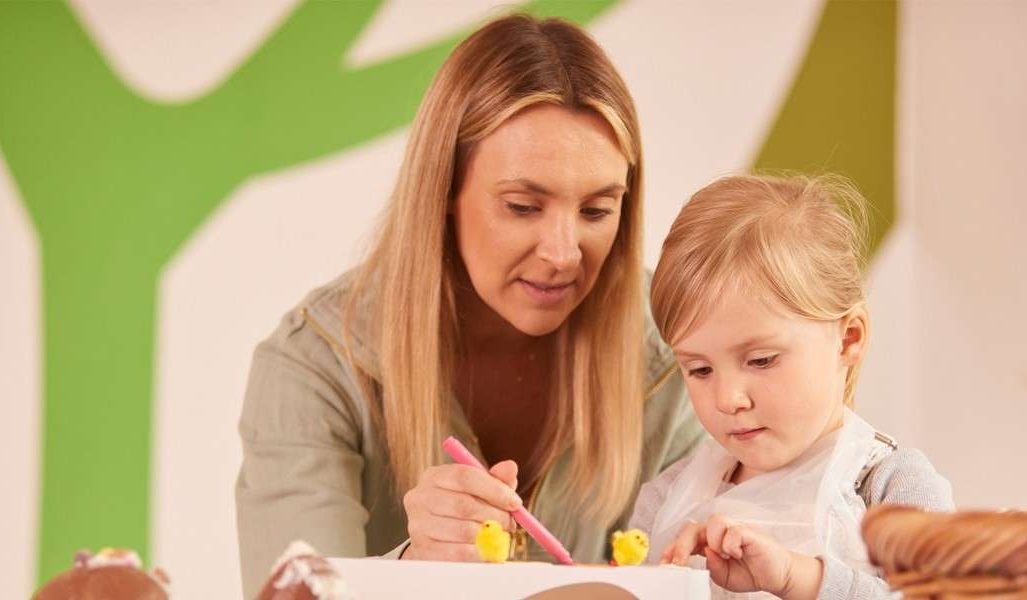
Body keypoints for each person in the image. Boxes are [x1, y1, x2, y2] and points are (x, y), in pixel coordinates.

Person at [234, 13, 704, 598]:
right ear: (445, 193)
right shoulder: (314, 364)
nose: (563, 254)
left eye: (595, 211)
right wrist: (411, 568)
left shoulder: (683, 343)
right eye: (523, 206)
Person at [631, 174, 954, 599]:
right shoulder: (665, 502)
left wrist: (797, 579)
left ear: (849, 338)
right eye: (699, 369)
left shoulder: (892, 489)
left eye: (761, 360)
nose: (728, 399)